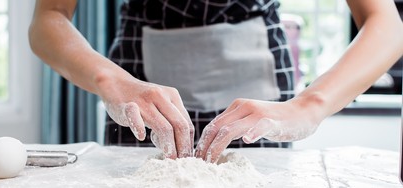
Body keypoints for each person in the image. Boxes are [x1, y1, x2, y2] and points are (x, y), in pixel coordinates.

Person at [29, 0, 403, 163]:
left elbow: (386, 24)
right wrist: (109, 78)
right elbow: (49, 18)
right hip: (138, 75)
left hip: (258, 74)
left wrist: (308, 107)